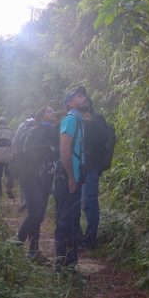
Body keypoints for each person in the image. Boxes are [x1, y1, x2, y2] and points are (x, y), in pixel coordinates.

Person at [16, 105, 59, 259]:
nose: (53, 112)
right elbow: (27, 151)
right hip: (31, 177)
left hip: (46, 178)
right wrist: (48, 149)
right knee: (37, 213)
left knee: (38, 215)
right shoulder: (35, 131)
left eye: (53, 110)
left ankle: (33, 251)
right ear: (41, 116)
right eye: (49, 111)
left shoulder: (53, 130)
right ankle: (15, 245)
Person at [55, 86, 88, 271]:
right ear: (69, 103)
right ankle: (61, 264)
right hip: (68, 179)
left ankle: (70, 264)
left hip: (74, 178)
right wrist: (70, 177)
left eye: (84, 95)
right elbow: (64, 149)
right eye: (79, 96)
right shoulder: (70, 119)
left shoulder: (79, 121)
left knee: (73, 220)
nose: (84, 98)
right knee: (65, 220)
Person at [80, 97, 115, 249]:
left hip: (91, 166)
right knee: (80, 202)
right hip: (78, 166)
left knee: (89, 201)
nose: (83, 104)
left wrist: (91, 123)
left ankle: (90, 239)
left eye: (85, 101)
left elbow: (103, 137)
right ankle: (80, 237)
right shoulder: (75, 118)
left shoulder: (97, 119)